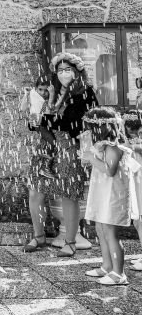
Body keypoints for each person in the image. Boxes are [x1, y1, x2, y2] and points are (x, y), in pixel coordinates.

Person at [24, 52, 99, 257]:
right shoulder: (53, 91)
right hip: (46, 146)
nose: (63, 73)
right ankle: (39, 236)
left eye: (68, 70)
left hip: (69, 146)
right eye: (60, 70)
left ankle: (70, 241)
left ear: (77, 72)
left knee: (68, 193)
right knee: (35, 189)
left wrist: (43, 121)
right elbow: (40, 116)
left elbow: (72, 123)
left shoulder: (85, 92)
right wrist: (33, 122)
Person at [83, 107, 136, 286]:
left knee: (111, 232)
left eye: (91, 127)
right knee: (101, 228)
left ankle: (119, 273)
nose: (88, 131)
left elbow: (110, 170)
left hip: (113, 196)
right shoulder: (103, 146)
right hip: (103, 193)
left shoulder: (114, 148)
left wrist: (91, 158)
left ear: (101, 127)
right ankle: (107, 265)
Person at [20, 76, 57, 179]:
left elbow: (49, 114)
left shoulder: (48, 98)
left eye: (46, 90)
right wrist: (26, 95)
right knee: (52, 141)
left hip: (45, 123)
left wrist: (51, 96)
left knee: (50, 141)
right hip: (37, 123)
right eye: (40, 89)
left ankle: (43, 159)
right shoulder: (32, 95)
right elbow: (22, 109)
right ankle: (45, 167)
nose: (42, 93)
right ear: (35, 88)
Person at [123, 112, 142, 272]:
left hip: (140, 184)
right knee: (137, 220)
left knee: (140, 221)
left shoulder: (135, 144)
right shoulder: (132, 142)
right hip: (136, 184)